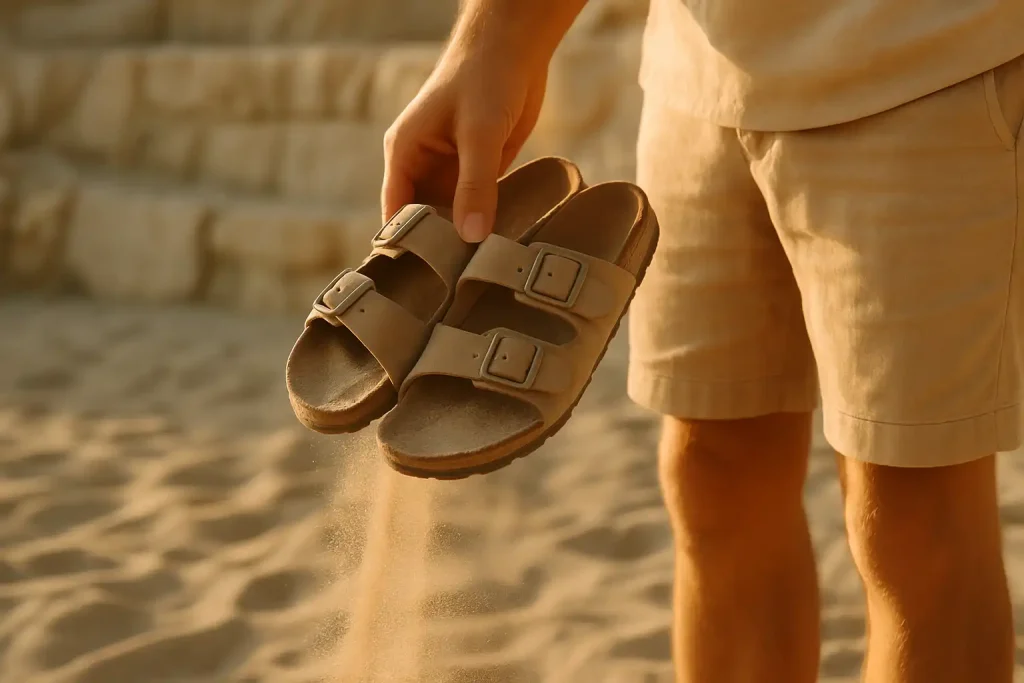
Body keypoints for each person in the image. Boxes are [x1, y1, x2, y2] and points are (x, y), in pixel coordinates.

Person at [380, 0, 1024, 680]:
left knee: (912, 516)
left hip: (925, 57)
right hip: (699, 68)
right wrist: (497, 38)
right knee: (713, 474)